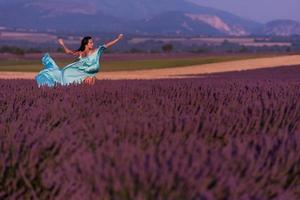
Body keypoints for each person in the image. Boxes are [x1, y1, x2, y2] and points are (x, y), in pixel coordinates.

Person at [35, 34, 124, 87]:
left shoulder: (95, 51)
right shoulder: (80, 53)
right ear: (86, 44)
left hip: (88, 74)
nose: (92, 44)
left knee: (91, 84)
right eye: (91, 42)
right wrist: (62, 44)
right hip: (76, 75)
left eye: (92, 42)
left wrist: (117, 39)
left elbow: (106, 45)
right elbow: (68, 51)